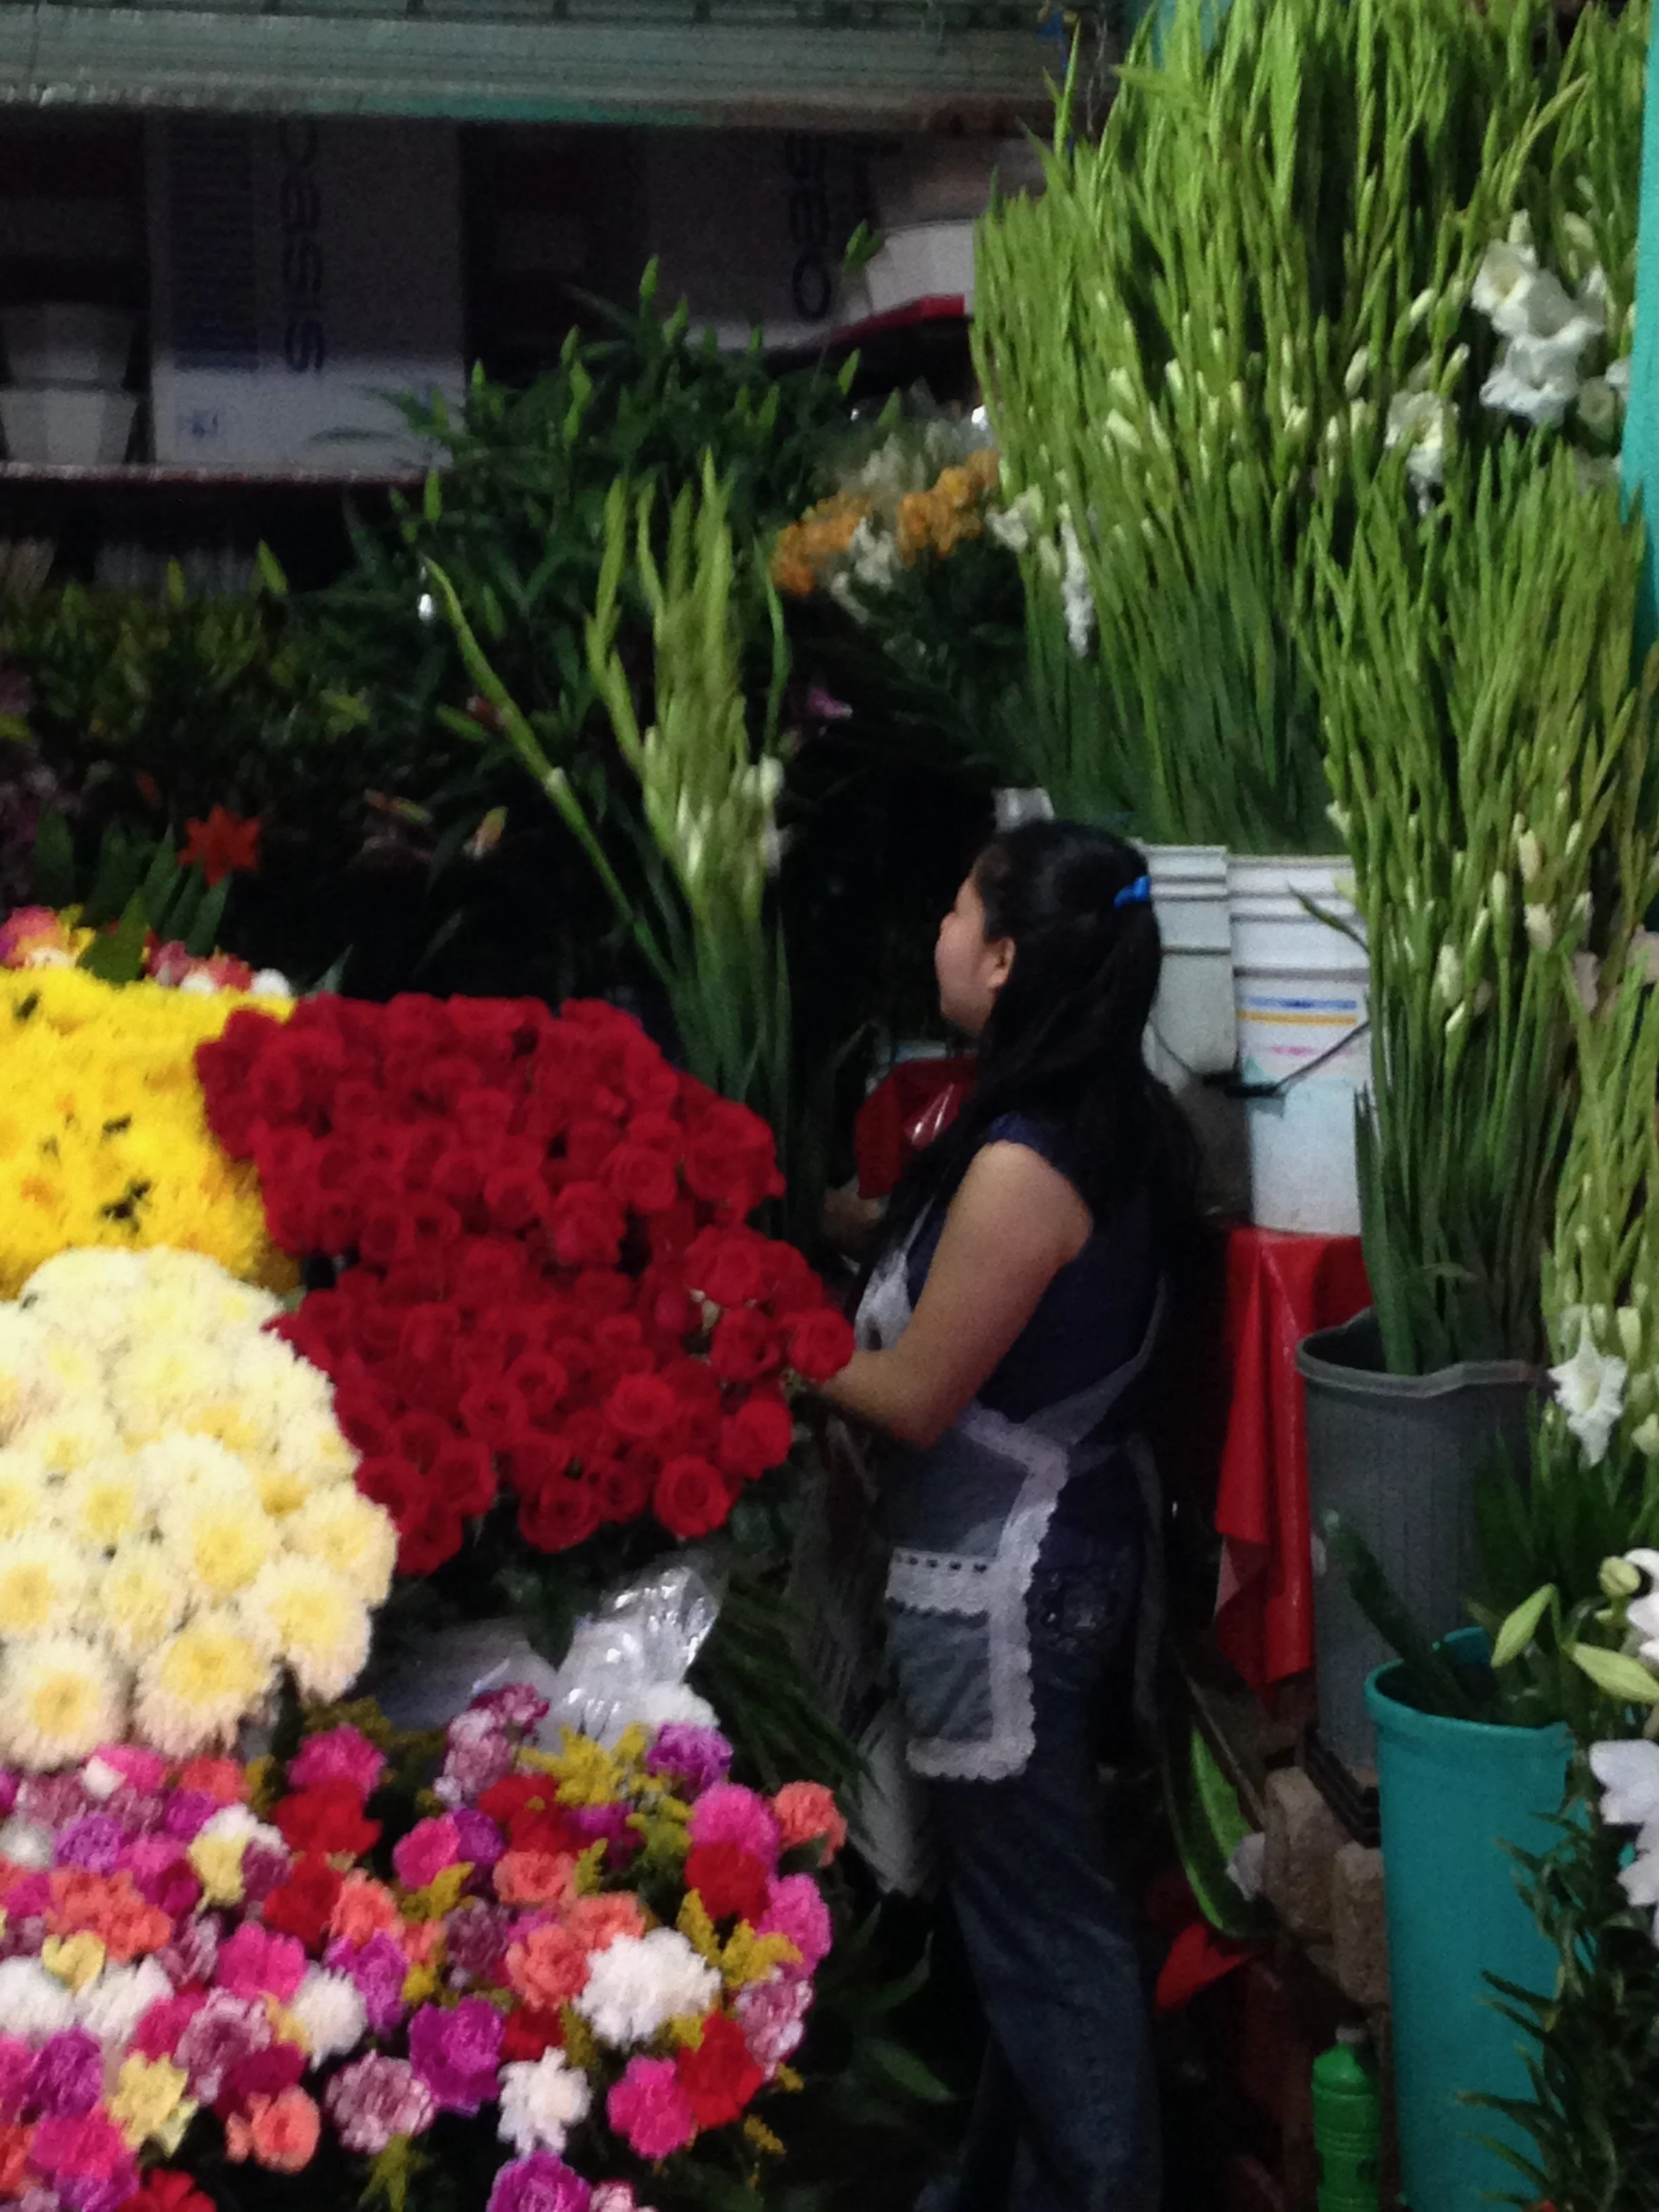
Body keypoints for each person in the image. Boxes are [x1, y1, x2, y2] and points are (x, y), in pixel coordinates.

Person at [819, 819, 1191, 2212]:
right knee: (1025, 1928)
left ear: (1010, 953)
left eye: (954, 907)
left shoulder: (1032, 1160)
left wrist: (746, 1335)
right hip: (1042, 1571)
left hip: (1007, 1592)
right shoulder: (1090, 1118)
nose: (937, 933)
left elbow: (916, 1396)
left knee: (1049, 1941)